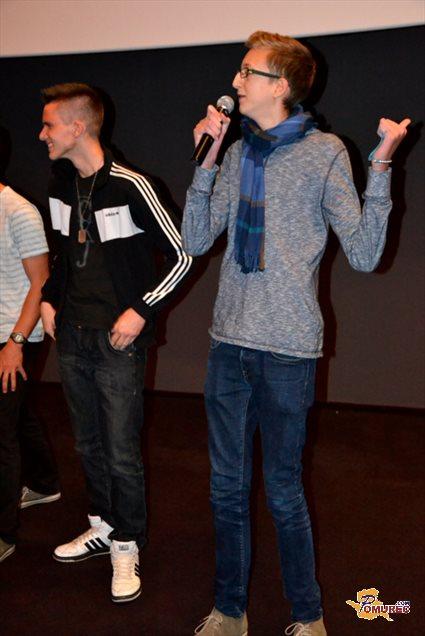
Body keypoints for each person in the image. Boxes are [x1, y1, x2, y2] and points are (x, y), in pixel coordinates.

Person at [182, 31, 410, 636]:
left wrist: (381, 163)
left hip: (288, 350)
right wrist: (206, 158)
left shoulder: (326, 152)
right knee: (226, 489)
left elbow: (364, 253)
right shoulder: (237, 152)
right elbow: (196, 240)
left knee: (283, 491)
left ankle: (308, 616)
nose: (236, 81)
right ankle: (230, 611)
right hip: (228, 343)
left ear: (281, 85)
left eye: (247, 72)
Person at [39, 83, 193, 602]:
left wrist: (141, 310)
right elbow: (62, 253)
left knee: (122, 450)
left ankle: (127, 543)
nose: (42, 135)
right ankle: (103, 526)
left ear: (78, 127)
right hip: (72, 335)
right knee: (87, 443)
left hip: (117, 342)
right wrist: (48, 298)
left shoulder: (131, 185)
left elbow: (184, 254)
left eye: (49, 125)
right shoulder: (61, 184)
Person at [0, 179, 61, 563]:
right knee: (16, 414)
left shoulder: (19, 211)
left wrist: (15, 343)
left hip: (15, 336)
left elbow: (41, 283)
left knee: (1, 432)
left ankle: (3, 533)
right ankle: (44, 482)